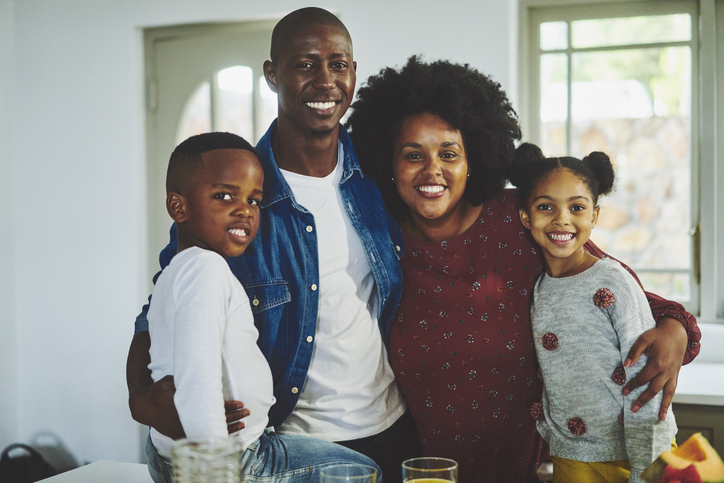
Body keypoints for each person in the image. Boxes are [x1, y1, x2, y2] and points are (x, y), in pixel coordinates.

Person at [345, 56, 700, 483]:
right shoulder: (378, 242)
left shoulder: (519, 218)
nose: (431, 169)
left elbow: (617, 289)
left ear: (472, 158)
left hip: (539, 468)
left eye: (449, 153)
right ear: (389, 162)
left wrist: (676, 329)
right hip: (426, 469)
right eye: (412, 154)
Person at [126, 8, 420, 483]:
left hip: (392, 426)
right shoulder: (234, 193)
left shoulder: (378, 177)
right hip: (290, 441)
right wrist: (141, 398)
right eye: (305, 64)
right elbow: (159, 308)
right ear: (272, 75)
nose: (325, 81)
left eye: (339, 64)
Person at [145, 131, 380, 483]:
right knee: (363, 472)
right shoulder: (204, 270)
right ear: (179, 207)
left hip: (194, 451)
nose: (244, 210)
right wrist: (213, 466)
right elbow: (197, 379)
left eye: (255, 200)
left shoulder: (181, 271)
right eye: (224, 196)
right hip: (236, 461)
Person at [510, 143, 677, 483]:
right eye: (546, 207)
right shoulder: (538, 288)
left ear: (594, 216)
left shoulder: (613, 280)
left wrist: (644, 466)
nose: (561, 219)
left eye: (576, 207)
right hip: (572, 457)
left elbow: (647, 376)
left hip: (636, 455)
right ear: (526, 217)